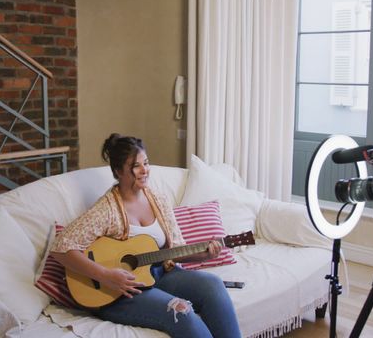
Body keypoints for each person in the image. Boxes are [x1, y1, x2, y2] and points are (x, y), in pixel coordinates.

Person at [51, 133, 242, 338]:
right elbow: (60, 247)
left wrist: (203, 255)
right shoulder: (106, 209)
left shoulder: (158, 200)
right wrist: (105, 275)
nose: (145, 171)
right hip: (119, 292)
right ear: (118, 171)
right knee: (181, 311)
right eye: (136, 166)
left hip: (161, 274)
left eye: (146, 163)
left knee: (213, 285)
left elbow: (174, 250)